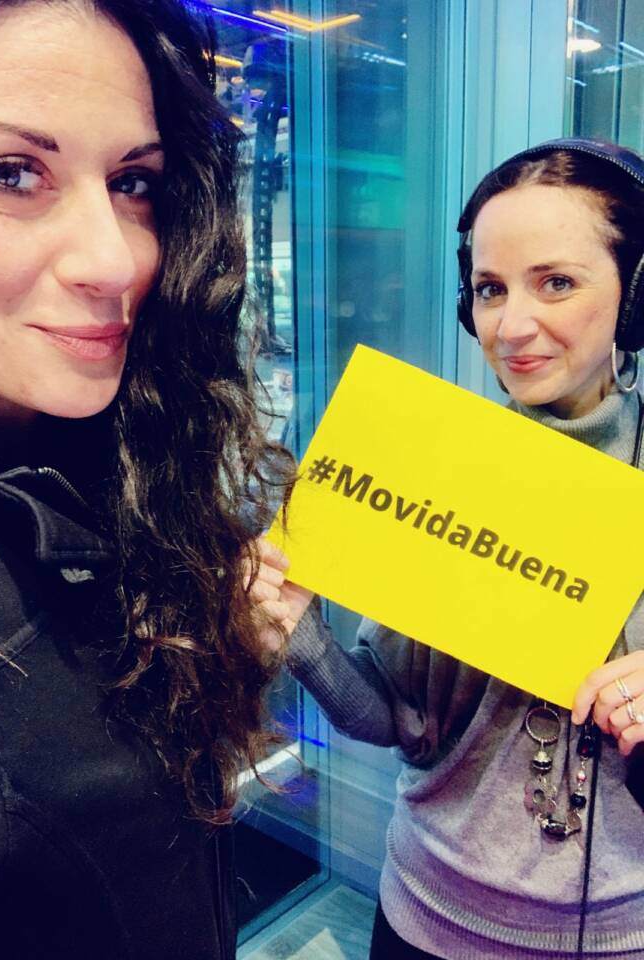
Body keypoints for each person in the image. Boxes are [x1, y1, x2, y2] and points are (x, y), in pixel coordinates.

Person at [0, 2, 291, 957]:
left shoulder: (85, 474)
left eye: (134, 183)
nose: (116, 258)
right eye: (11, 172)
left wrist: (220, 651)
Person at [252, 138, 644, 959]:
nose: (512, 326)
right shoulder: (440, 469)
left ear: (636, 294)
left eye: (557, 282)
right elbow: (394, 719)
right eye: (490, 289)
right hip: (427, 916)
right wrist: (299, 637)